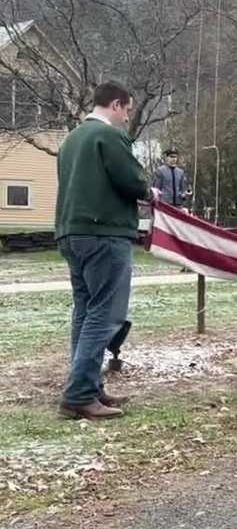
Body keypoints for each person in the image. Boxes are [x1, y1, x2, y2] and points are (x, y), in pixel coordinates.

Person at [55, 81, 160, 420]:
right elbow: (130, 181)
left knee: (85, 313)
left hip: (72, 233)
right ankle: (80, 395)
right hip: (104, 234)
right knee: (105, 314)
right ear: (116, 105)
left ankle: (88, 386)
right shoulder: (109, 136)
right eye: (127, 110)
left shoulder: (71, 139)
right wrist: (151, 192)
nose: (127, 117)